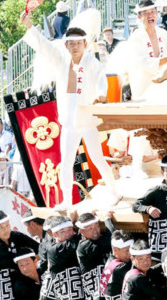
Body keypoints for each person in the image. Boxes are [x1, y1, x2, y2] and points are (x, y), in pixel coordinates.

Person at [20, 11, 118, 209]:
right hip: (68, 122)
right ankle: (66, 200)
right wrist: (30, 26)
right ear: (66, 45)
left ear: (84, 44)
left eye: (78, 43)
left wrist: (101, 95)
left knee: (97, 158)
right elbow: (44, 46)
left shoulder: (92, 62)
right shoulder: (61, 61)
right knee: (66, 162)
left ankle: (114, 192)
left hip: (87, 121)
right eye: (71, 44)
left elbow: (101, 82)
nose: (75, 47)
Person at [75, 212, 116, 300]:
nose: (96, 231)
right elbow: (113, 238)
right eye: (90, 228)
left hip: (108, 296)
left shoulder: (98, 240)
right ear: (81, 231)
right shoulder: (84, 246)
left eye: (97, 226)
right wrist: (108, 219)